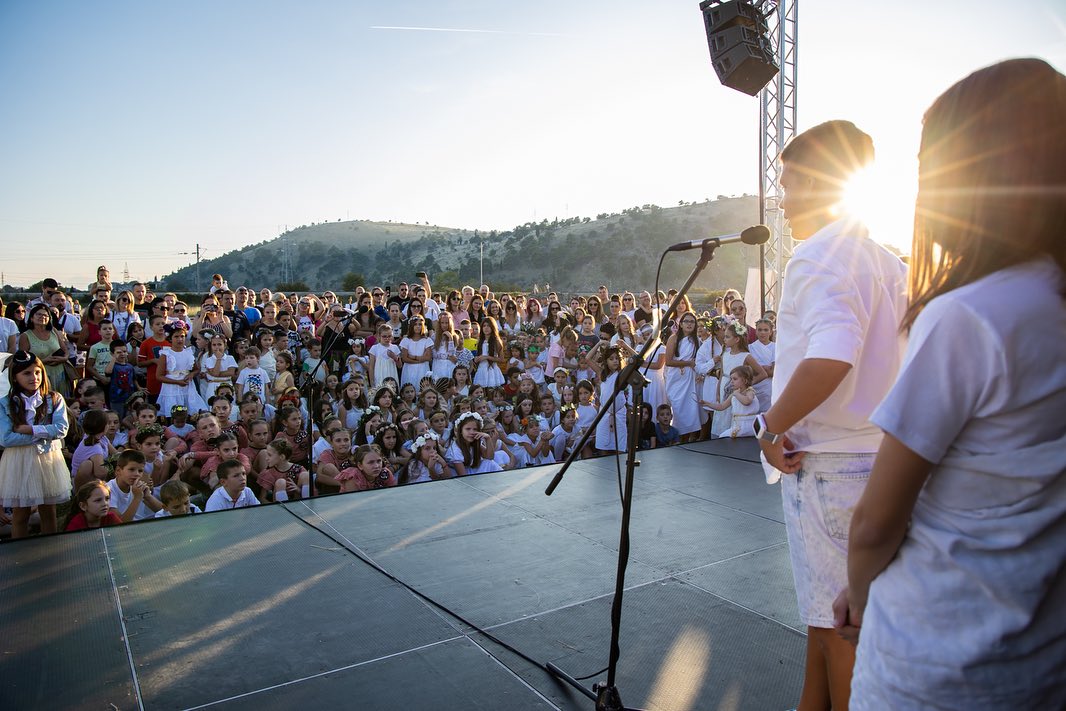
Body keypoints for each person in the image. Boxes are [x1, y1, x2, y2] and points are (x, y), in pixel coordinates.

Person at [833, 59, 1066, 709]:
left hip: (935, 661)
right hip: (1038, 657)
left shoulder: (969, 315)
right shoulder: (1048, 298)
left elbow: (875, 522)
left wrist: (860, 597)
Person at [756, 119, 908, 711]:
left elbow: (833, 354)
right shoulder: (890, 264)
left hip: (827, 468)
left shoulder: (815, 257)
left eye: (791, 183)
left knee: (841, 631)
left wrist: (770, 426)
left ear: (822, 183)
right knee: (828, 623)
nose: (783, 199)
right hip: (882, 464)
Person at [0, 351, 71, 537]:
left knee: (48, 512)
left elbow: (61, 429)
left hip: (47, 459)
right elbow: (6, 438)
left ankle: (50, 548)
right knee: (20, 514)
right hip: (19, 460)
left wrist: (30, 429)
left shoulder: (54, 399)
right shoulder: (5, 403)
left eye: (37, 372)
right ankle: (19, 550)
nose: (34, 377)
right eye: (27, 373)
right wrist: (45, 434)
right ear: (14, 377)